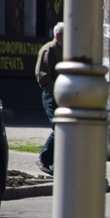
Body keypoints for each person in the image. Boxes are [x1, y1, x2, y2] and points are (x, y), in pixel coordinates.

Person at [34, 22, 64, 175]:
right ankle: (44, 159)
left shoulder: (64, 49)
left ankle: (55, 162)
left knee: (63, 126)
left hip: (62, 95)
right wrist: (55, 91)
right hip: (51, 95)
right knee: (58, 126)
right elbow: (42, 76)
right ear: (59, 35)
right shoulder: (49, 49)